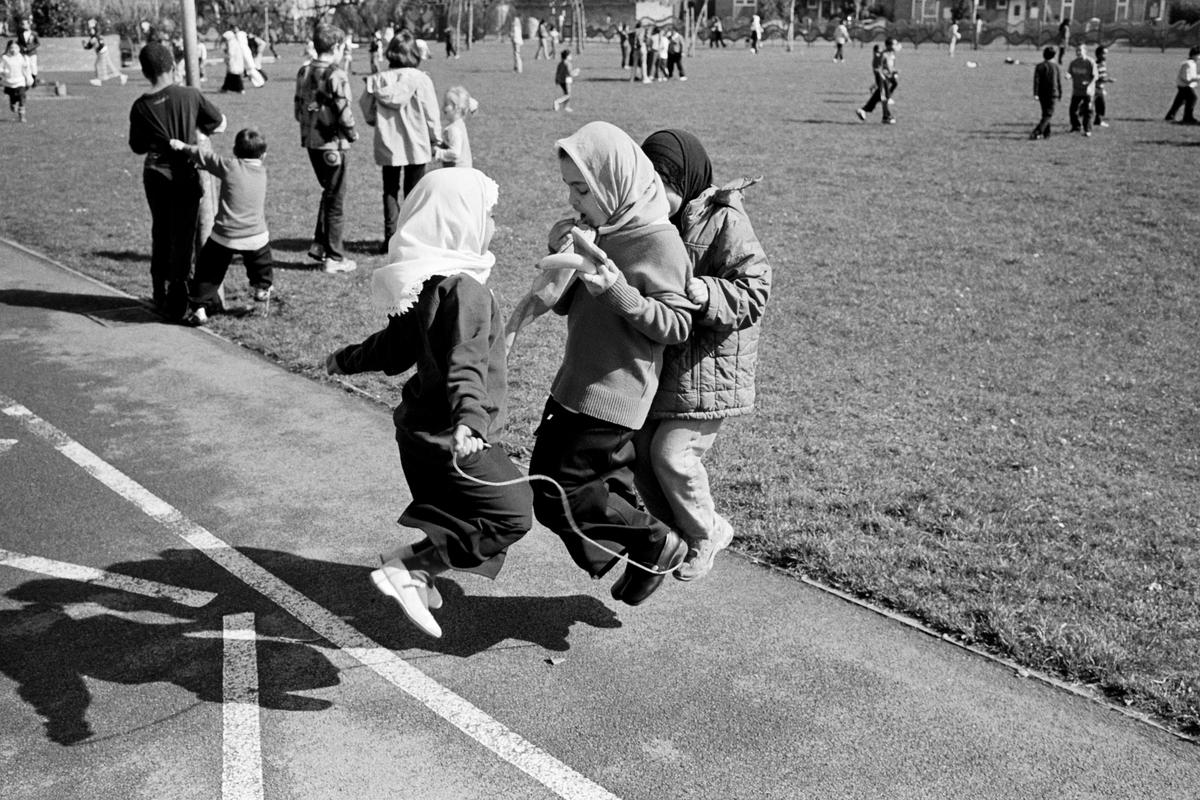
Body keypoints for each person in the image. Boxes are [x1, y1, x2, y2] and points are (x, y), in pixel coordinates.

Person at [326, 168, 533, 639]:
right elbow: (467, 361)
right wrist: (470, 422)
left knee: (463, 516)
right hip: (451, 435)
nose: (494, 225)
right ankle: (411, 568)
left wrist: (344, 359)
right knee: (513, 511)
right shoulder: (466, 291)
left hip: (419, 434)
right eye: (488, 215)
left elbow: (392, 349)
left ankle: (415, 568)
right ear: (460, 221)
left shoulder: (426, 281)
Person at [507, 121, 694, 606]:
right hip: (575, 381)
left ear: (613, 182)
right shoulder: (602, 230)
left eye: (581, 189)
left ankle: (654, 540)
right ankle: (644, 549)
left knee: (554, 491)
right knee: (556, 486)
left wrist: (617, 291)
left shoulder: (658, 242)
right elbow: (573, 306)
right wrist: (561, 257)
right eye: (569, 188)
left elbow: (676, 325)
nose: (573, 201)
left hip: (615, 392)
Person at [636, 129, 770, 581]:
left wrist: (704, 289)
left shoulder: (724, 220)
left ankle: (706, 533)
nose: (655, 194)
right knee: (640, 454)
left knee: (672, 454)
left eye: (664, 184)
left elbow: (755, 291)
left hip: (711, 373)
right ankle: (683, 534)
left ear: (687, 179)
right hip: (667, 368)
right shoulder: (653, 221)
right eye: (647, 183)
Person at [128, 42, 226, 320]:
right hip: (184, 173)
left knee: (161, 231)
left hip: (155, 173)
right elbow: (217, 121)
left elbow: (137, 146)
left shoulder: (140, 106)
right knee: (183, 237)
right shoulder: (190, 95)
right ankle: (178, 299)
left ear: (146, 72)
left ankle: (160, 292)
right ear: (173, 65)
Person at [169, 128, 273, 326]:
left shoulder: (229, 166)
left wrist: (182, 146)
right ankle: (261, 288)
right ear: (264, 155)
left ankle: (199, 308)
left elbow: (206, 157)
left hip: (225, 235)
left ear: (234, 151)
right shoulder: (261, 172)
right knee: (261, 264)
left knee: (207, 271)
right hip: (255, 235)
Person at [360, 32, 441, 252]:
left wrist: (374, 120)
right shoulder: (421, 79)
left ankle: (390, 237)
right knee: (414, 193)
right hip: (417, 143)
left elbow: (366, 109)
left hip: (388, 144)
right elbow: (431, 112)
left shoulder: (377, 80)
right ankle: (412, 239)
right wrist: (436, 139)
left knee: (390, 190)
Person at [295, 24, 359, 273]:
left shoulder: (303, 71)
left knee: (328, 192)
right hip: (333, 144)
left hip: (311, 142)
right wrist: (352, 133)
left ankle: (320, 246)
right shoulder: (336, 74)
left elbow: (297, 109)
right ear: (335, 47)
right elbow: (344, 112)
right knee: (336, 200)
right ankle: (334, 257)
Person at [856, 38, 898, 124]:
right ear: (888, 45)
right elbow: (877, 67)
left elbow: (889, 67)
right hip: (882, 78)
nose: (896, 46)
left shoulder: (891, 54)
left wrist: (893, 72)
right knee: (884, 97)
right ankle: (886, 117)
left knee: (879, 96)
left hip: (887, 77)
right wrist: (881, 76)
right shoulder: (883, 54)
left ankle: (864, 110)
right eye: (894, 44)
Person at [434, 86, 476, 168]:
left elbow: (455, 153)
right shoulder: (460, 124)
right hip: (465, 170)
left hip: (456, 172)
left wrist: (437, 152)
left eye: (446, 104)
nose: (442, 108)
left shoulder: (453, 129)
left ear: (457, 108)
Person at [1029, 46, 1061, 140]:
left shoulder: (1039, 66)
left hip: (1042, 94)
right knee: (1048, 114)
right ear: (1054, 56)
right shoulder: (1055, 66)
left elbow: (1036, 81)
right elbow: (1058, 81)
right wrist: (1060, 92)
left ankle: (1047, 133)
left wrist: (1035, 93)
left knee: (1045, 113)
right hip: (1053, 93)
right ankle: (1037, 132)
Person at [1164, 46, 1200, 125]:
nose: (1199, 57)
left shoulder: (1192, 63)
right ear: (1194, 55)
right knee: (1193, 98)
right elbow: (1186, 78)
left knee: (1179, 101)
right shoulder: (1187, 64)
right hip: (1185, 86)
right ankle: (1188, 117)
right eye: (1199, 55)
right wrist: (1197, 78)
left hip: (1184, 86)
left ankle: (1170, 116)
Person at [84, 21, 127, 86]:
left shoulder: (96, 37)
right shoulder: (93, 38)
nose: (90, 31)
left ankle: (98, 80)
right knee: (110, 66)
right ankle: (122, 76)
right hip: (103, 52)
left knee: (98, 65)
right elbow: (88, 46)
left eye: (92, 30)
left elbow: (99, 45)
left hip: (102, 52)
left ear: (95, 30)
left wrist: (95, 46)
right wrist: (84, 45)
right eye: (90, 30)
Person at [1067, 43, 1096, 136]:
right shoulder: (1073, 62)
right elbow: (1070, 72)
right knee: (1073, 110)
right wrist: (1068, 75)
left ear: (1085, 51)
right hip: (1077, 90)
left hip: (1088, 91)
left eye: (1080, 50)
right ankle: (1076, 127)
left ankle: (1087, 130)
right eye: (1077, 50)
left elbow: (1095, 76)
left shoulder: (1090, 62)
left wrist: (1089, 85)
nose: (1078, 52)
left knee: (1088, 111)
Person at [1, 39, 33, 122]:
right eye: (11, 47)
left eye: (15, 47)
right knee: (13, 97)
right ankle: (12, 103)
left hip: (20, 81)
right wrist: (4, 71)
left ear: (19, 48)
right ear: (8, 48)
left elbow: (26, 69)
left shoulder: (22, 57)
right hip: (9, 82)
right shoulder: (4, 57)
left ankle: (22, 115)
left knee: (22, 96)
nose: (13, 49)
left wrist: (29, 78)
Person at [1093, 45, 1113, 128]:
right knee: (1100, 106)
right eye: (1104, 53)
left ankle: (1098, 121)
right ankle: (1097, 121)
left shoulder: (1102, 64)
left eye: (1106, 53)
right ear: (1098, 54)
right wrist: (1108, 80)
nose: (1105, 56)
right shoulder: (1097, 65)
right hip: (1095, 89)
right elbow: (1097, 78)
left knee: (1100, 106)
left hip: (1099, 88)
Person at [15, 18, 37, 87]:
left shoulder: (33, 33)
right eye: (22, 24)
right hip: (24, 53)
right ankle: (28, 81)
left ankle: (34, 80)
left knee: (33, 66)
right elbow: (19, 43)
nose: (23, 25)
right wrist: (21, 48)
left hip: (32, 53)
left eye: (24, 24)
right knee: (26, 66)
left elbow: (37, 43)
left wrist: (29, 48)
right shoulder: (20, 34)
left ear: (28, 24)